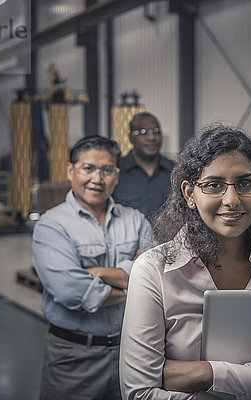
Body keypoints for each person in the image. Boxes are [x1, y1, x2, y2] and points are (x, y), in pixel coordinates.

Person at [120, 125, 251, 399]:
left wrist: (206, 374)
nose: (232, 200)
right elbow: (139, 395)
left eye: (245, 183)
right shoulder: (154, 270)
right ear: (189, 195)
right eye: (214, 185)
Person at [32, 135, 155, 400]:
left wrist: (97, 274)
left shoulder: (136, 220)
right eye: (88, 168)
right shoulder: (52, 225)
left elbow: (155, 277)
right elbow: (70, 291)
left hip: (132, 353)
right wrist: (132, 283)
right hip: (74, 358)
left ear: (117, 175)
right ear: (70, 170)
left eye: (107, 170)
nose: (97, 179)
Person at [113, 112, 174, 220]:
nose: (151, 138)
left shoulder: (175, 171)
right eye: (143, 132)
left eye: (156, 132)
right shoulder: (116, 171)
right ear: (131, 138)